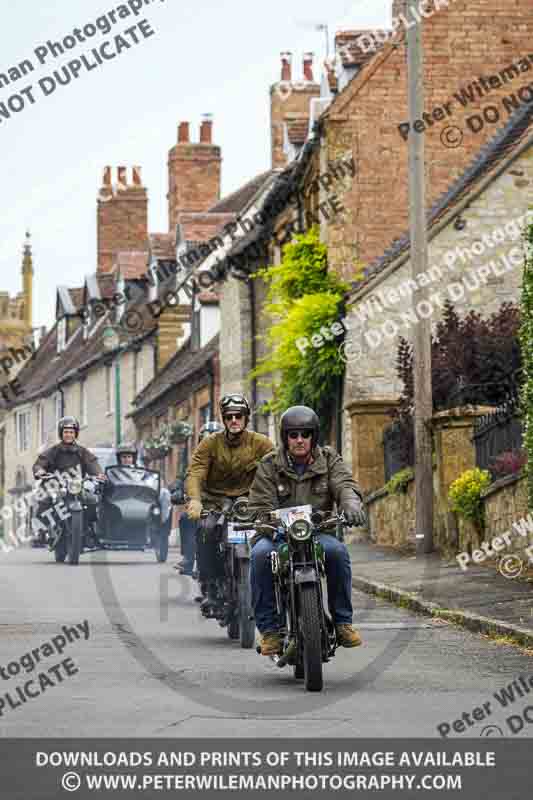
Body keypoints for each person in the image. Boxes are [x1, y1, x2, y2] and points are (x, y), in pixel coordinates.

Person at [248, 405, 367, 656]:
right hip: (276, 534)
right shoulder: (270, 464)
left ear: (313, 436)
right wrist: (267, 520)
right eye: (293, 435)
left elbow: (344, 484)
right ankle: (270, 631)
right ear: (285, 437)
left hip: (317, 532)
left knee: (337, 553)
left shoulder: (329, 458)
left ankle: (343, 623)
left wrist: (351, 503)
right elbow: (260, 502)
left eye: (305, 434)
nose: (299, 440)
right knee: (259, 556)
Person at [184, 395, 274, 610]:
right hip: (216, 501)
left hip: (250, 502)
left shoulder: (261, 442)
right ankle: (211, 585)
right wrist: (195, 500)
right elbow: (195, 472)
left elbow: (276, 467)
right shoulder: (210, 443)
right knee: (205, 530)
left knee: (271, 535)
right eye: (229, 416)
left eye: (238, 416)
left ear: (246, 418)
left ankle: (274, 586)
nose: (234, 420)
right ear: (224, 420)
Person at [33, 417, 105, 481]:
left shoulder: (82, 452)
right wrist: (39, 470)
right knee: (44, 495)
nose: (68, 435)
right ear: (61, 433)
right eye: (66, 432)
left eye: (71, 432)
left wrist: (99, 474)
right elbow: (40, 462)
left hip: (77, 488)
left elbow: (92, 463)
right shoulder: (53, 451)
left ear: (75, 434)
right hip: (55, 489)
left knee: (92, 496)